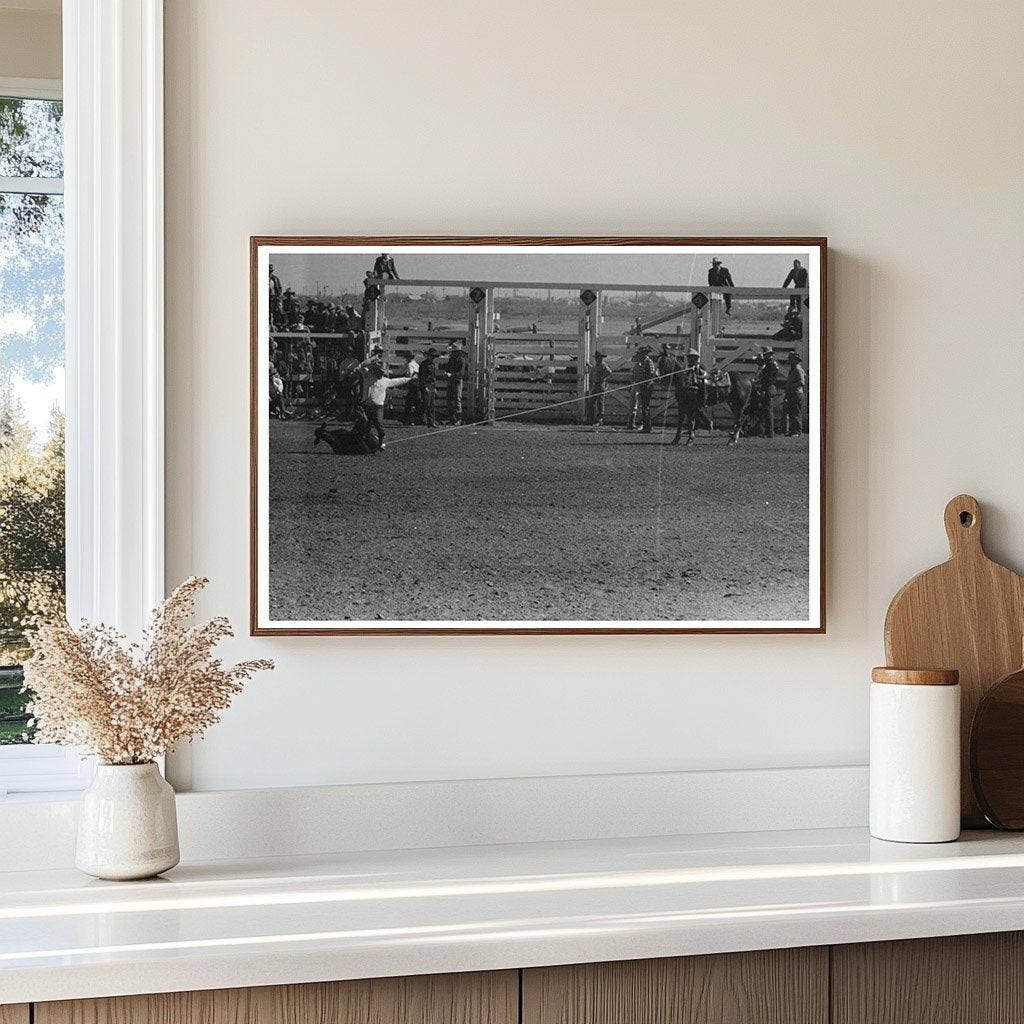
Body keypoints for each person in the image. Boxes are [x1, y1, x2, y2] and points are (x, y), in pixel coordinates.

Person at [362, 360, 414, 448]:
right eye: (379, 371)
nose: (380, 374)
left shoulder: (385, 381)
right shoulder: (368, 376)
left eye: (382, 372)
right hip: (366, 405)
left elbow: (398, 381)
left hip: (378, 406)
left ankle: (381, 442)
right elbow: (363, 365)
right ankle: (366, 441)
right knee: (365, 424)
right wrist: (372, 360)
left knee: (379, 424)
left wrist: (410, 379)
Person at [313, 406, 380, 455]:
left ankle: (321, 433)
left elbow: (358, 435)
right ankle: (321, 433)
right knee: (341, 433)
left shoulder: (364, 424)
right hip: (351, 444)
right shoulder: (362, 423)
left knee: (341, 434)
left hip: (352, 445)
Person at [629, 345, 658, 433]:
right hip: (643, 386)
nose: (641, 355)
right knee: (644, 406)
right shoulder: (641, 362)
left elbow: (652, 374)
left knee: (645, 406)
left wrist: (643, 380)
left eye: (642, 353)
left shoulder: (649, 362)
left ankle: (647, 426)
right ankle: (646, 426)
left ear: (645, 354)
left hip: (647, 386)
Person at [755, 347, 781, 438]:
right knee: (767, 410)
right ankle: (767, 431)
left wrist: (764, 390)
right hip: (772, 387)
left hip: (768, 387)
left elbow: (767, 379)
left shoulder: (769, 365)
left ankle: (769, 432)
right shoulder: (773, 364)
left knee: (768, 410)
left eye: (766, 355)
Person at [443, 341, 468, 425]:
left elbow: (461, 373)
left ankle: (458, 418)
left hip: (457, 381)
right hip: (451, 380)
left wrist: (451, 374)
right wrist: (447, 373)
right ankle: (452, 418)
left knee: (457, 399)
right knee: (449, 399)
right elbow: (448, 368)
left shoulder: (461, 360)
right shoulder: (451, 359)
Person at [783, 352, 807, 436]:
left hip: (796, 393)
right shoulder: (793, 369)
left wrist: (790, 386)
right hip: (792, 393)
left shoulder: (797, 369)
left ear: (795, 360)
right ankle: (793, 431)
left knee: (796, 412)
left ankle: (797, 431)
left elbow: (801, 382)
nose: (789, 360)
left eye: (791, 359)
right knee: (792, 412)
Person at [586, 351, 612, 426]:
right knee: (592, 402)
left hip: (600, 385)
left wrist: (602, 378)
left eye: (599, 357)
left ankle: (599, 419)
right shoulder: (596, 366)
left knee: (600, 402)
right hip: (596, 385)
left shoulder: (603, 365)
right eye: (597, 357)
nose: (598, 359)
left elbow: (609, 372)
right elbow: (593, 370)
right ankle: (592, 419)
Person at [418, 348, 440, 428]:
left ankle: (431, 421)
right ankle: (425, 420)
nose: (432, 358)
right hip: (426, 385)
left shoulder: (433, 365)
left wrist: (434, 387)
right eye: (431, 356)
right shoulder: (423, 364)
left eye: (433, 356)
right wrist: (424, 386)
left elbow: (434, 377)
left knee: (431, 404)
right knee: (426, 403)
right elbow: (422, 376)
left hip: (431, 385)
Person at [399, 350, 423, 424]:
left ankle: (408, 419)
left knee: (410, 403)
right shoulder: (416, 364)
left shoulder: (410, 365)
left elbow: (410, 374)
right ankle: (417, 419)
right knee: (416, 402)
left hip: (413, 385)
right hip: (417, 384)